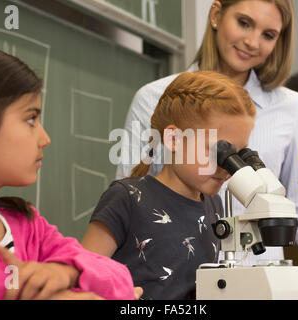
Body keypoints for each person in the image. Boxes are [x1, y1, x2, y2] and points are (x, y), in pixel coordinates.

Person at [115, 0, 298, 298]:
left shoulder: (290, 107)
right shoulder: (154, 98)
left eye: (268, 35)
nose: (252, 42)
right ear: (216, 15)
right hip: (178, 289)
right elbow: (130, 205)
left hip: (260, 288)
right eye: (244, 23)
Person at [0, 42, 135, 300]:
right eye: (31, 119)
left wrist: (66, 271)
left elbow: (119, 278)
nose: (45, 138)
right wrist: (19, 288)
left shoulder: (28, 225)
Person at [81, 71, 256, 299]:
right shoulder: (127, 198)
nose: (227, 167)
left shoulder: (213, 204)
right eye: (219, 151)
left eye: (237, 154)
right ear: (173, 139)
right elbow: (81, 279)